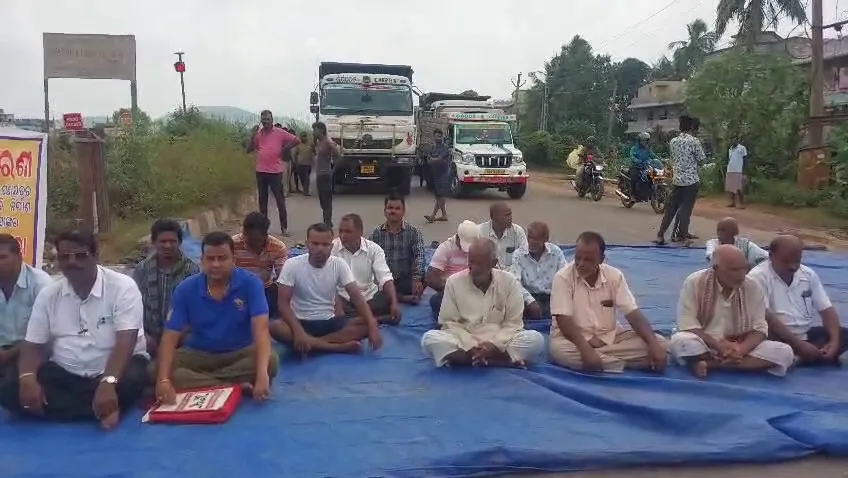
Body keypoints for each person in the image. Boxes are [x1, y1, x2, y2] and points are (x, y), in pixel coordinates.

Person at [0, 230, 148, 429]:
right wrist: (27, 378)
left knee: (133, 379)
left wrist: (108, 381)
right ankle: (102, 409)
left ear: (95, 257)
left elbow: (125, 341)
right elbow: (33, 344)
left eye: (80, 256)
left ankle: (85, 404)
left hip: (114, 369)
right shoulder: (49, 294)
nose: (72, 262)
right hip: (66, 371)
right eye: (65, 257)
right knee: (10, 389)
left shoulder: (123, 287)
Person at [153, 232, 277, 399]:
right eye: (211, 259)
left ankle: (207, 384)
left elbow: (261, 330)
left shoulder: (251, 283)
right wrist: (163, 380)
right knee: (155, 370)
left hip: (240, 352)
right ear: (202, 260)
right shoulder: (185, 289)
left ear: (233, 259)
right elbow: (170, 335)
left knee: (270, 361)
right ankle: (231, 386)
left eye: (222, 258)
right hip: (199, 354)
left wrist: (262, 376)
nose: (216, 264)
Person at [549, 231, 668, 373]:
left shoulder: (614, 276)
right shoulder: (563, 278)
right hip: (574, 340)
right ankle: (623, 363)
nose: (581, 264)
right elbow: (563, 321)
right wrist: (585, 349)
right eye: (578, 258)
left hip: (610, 337)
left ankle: (605, 362)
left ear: (601, 259)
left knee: (661, 344)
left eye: (588, 260)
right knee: (558, 350)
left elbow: (633, 314)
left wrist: (653, 345)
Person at [669, 245, 794, 378]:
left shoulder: (752, 286)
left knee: (784, 352)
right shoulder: (695, 282)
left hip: (741, 345)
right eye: (734, 270)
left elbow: (760, 328)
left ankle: (711, 364)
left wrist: (741, 349)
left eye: (744, 268)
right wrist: (719, 347)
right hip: (705, 343)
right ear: (716, 269)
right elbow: (689, 325)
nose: (741, 275)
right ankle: (728, 362)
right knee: (681, 342)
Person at [421, 239, 545, 368]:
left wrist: (493, 345)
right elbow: (449, 323)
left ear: (493, 263)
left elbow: (513, 323)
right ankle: (498, 360)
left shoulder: (509, 282)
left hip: (499, 340)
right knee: (429, 338)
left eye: (479, 263)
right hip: (465, 339)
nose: (472, 267)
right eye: (471, 261)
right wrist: (470, 345)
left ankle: (468, 360)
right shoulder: (454, 282)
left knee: (535, 339)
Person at [271, 223, 383, 356]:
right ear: (307, 244)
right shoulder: (292, 264)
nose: (320, 249)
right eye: (315, 244)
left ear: (331, 246)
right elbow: (283, 304)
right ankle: (335, 348)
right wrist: (299, 332)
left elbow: (356, 296)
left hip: (330, 323)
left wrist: (371, 324)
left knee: (369, 323)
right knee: (274, 327)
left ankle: (312, 344)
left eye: (325, 245)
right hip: (300, 322)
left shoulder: (339, 264)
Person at [749, 235, 847, 365]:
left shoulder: (808, 274)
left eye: (797, 261)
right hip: (775, 337)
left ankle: (803, 357)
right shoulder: (757, 278)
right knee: (775, 347)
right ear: (771, 256)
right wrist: (798, 345)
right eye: (786, 261)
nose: (793, 266)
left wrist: (834, 342)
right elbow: (767, 320)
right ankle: (801, 356)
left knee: (843, 335)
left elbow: (826, 310)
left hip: (804, 335)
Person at [132, 219, 200, 357]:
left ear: (180, 243)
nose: (168, 245)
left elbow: (197, 309)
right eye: (163, 241)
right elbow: (131, 307)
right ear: (154, 242)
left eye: (172, 241)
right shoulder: (142, 270)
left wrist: (176, 338)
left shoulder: (191, 270)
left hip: (182, 338)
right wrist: (143, 335)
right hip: (148, 338)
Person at [0, 234, 52, 380]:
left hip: (32, 351)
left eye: (2, 257)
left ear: (19, 257)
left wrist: (9, 354)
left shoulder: (41, 284)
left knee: (10, 386)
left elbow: (48, 334)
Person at [333, 213, 401, 325]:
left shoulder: (374, 249)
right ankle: (371, 320)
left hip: (368, 298)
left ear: (360, 232)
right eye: (340, 231)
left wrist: (394, 302)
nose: (342, 235)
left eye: (347, 231)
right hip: (343, 298)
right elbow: (328, 282)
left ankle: (357, 320)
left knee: (389, 299)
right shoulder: (332, 248)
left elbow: (385, 278)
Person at [245, 110, 300, 237]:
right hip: (261, 171)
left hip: (275, 172)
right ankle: (263, 229)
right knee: (262, 201)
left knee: (279, 200)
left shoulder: (280, 133)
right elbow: (248, 150)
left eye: (268, 119)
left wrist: (285, 148)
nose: (266, 122)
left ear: (272, 120)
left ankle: (284, 228)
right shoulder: (258, 134)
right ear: (261, 120)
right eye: (263, 120)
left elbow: (296, 140)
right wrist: (252, 135)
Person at [654, 115, 706, 246]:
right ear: (692, 127)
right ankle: (682, 236)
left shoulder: (673, 141)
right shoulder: (694, 141)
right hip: (691, 181)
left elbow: (673, 159)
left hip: (677, 180)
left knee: (671, 209)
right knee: (685, 210)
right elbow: (702, 160)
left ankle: (660, 235)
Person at [369, 194, 426, 304]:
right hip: (384, 280)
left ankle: (394, 297)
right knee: (372, 290)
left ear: (403, 211)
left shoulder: (413, 232)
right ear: (385, 211)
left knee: (423, 280)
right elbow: (369, 260)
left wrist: (417, 279)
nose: (393, 211)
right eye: (390, 208)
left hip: (405, 278)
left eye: (397, 208)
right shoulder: (375, 234)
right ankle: (402, 298)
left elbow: (420, 256)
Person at [232, 212, 289, 319]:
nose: (252, 243)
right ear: (244, 232)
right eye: (248, 238)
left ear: (265, 235)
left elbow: (282, 278)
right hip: (237, 289)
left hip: (264, 289)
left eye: (256, 240)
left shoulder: (278, 247)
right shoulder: (232, 244)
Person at [509, 222, 567, 320]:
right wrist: (530, 301)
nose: (531, 242)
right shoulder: (519, 255)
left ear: (545, 239)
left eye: (536, 239)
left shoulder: (555, 252)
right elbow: (515, 282)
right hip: (528, 298)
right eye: (529, 238)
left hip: (551, 297)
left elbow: (565, 277)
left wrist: (558, 299)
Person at [426, 220, 481, 317]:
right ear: (458, 237)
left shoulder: (479, 247)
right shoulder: (446, 248)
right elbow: (431, 276)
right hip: (451, 290)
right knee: (436, 301)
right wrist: (450, 289)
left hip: (473, 288)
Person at [478, 202, 528, 269]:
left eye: (510, 214)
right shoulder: (480, 231)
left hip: (512, 274)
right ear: (493, 217)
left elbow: (524, 257)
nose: (510, 218)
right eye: (506, 215)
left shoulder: (518, 232)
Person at [313, 121, 342, 227]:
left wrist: (333, 170)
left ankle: (328, 222)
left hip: (325, 175)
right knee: (322, 200)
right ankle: (326, 220)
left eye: (315, 129)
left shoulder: (328, 142)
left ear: (321, 130)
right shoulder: (319, 142)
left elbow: (338, 156)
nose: (314, 132)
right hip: (319, 175)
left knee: (326, 200)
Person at [425, 128, 452, 223]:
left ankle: (433, 215)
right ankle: (443, 215)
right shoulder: (433, 147)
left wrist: (432, 159)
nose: (438, 138)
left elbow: (439, 159)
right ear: (434, 136)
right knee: (438, 195)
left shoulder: (445, 148)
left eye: (440, 136)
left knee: (440, 195)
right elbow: (428, 160)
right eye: (437, 136)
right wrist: (432, 159)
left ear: (442, 136)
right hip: (435, 173)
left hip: (443, 174)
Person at [628, 132, 662, 201]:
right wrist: (637, 160)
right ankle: (633, 194)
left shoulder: (647, 149)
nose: (644, 142)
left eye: (646, 140)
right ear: (639, 140)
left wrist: (661, 159)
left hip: (645, 167)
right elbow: (632, 157)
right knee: (634, 177)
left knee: (652, 176)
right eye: (643, 140)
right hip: (636, 167)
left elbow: (653, 155)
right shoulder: (634, 148)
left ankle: (648, 193)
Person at [726, 139, 748, 208]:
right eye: (731, 140)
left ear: (737, 140)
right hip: (730, 170)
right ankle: (733, 203)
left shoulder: (742, 148)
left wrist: (744, 171)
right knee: (731, 187)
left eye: (734, 139)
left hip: (738, 170)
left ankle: (741, 204)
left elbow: (745, 159)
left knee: (739, 187)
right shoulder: (730, 149)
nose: (733, 141)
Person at [291, 131, 314, 196]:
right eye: (302, 136)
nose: (303, 138)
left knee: (307, 177)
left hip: (308, 163)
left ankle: (306, 190)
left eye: (305, 136)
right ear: (300, 137)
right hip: (300, 163)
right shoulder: (298, 144)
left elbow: (314, 151)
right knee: (302, 177)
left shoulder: (311, 143)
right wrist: (295, 163)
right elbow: (295, 154)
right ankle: (305, 189)